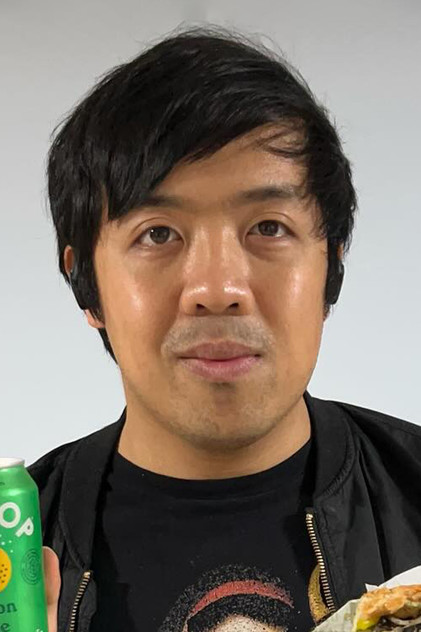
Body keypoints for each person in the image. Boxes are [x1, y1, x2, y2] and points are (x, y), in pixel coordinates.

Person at [32, 26, 421, 632]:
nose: (217, 290)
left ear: (332, 267)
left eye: (268, 227)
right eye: (158, 234)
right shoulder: (15, 547)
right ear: (86, 285)